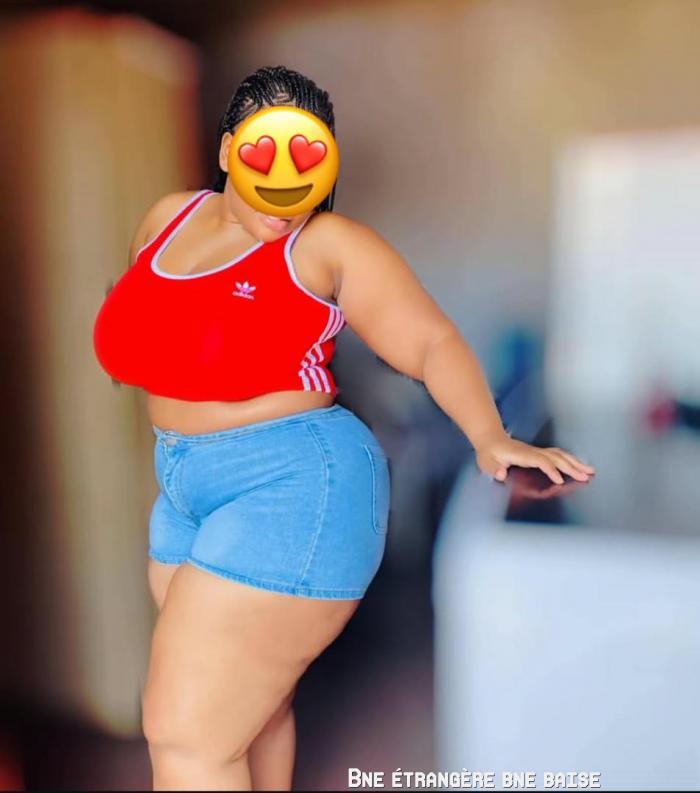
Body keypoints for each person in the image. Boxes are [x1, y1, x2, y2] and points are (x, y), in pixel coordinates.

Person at [93, 65, 595, 791]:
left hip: (292, 483)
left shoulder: (327, 245)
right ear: (230, 149)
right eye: (266, 154)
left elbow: (429, 342)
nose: (286, 184)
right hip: (183, 483)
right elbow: (150, 318)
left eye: (309, 160)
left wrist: (490, 436)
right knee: (247, 716)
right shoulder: (167, 217)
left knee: (186, 734)